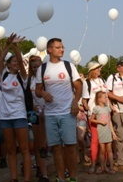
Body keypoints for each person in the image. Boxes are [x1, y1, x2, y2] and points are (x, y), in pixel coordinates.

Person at [35, 37, 83, 182]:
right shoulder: (42, 69)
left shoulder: (68, 66)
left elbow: (79, 86)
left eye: (62, 47)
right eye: (58, 47)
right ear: (49, 50)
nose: (62, 49)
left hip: (67, 113)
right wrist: (43, 93)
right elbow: (37, 91)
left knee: (70, 147)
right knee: (56, 148)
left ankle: (72, 177)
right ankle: (60, 177)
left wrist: (75, 102)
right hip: (50, 114)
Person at [0, 27, 31, 182]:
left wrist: (15, 46)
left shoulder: (22, 77)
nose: (16, 63)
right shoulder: (3, 75)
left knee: (24, 149)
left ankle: (27, 178)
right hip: (5, 117)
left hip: (19, 116)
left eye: (16, 61)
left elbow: (21, 61)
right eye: (12, 62)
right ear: (8, 65)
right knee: (10, 149)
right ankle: (14, 178)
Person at [81, 60, 106, 175]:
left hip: (105, 114)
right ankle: (93, 163)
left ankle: (103, 164)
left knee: (104, 140)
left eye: (100, 68)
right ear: (92, 70)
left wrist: (112, 110)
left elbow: (107, 98)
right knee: (95, 140)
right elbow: (84, 100)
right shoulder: (87, 82)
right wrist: (88, 111)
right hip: (94, 115)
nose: (100, 69)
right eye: (97, 68)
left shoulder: (102, 81)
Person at [26, 54, 48, 182]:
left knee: (47, 143)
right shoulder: (29, 80)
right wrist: (31, 106)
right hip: (34, 113)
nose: (36, 69)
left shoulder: (47, 78)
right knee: (38, 144)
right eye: (33, 67)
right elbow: (28, 96)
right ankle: (41, 170)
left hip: (48, 111)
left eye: (38, 66)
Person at [89, 91, 117, 175]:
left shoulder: (107, 108)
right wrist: (100, 122)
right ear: (99, 99)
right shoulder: (96, 109)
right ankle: (102, 167)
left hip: (108, 131)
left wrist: (113, 133)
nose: (106, 99)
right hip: (101, 131)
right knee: (102, 150)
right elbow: (91, 119)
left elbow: (110, 121)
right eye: (105, 97)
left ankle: (111, 167)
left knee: (109, 150)